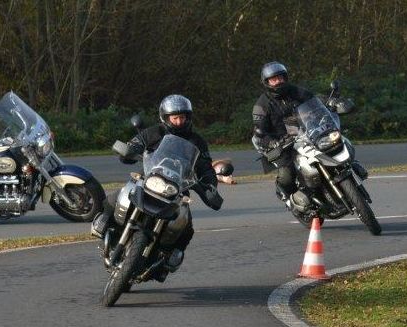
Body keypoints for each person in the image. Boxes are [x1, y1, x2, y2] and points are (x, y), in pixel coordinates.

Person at [91, 94, 223, 275]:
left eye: (182, 117)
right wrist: (129, 151)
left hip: (177, 190)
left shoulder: (196, 141)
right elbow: (135, 144)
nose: (178, 121)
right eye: (174, 118)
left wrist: (210, 187)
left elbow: (206, 168)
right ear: (165, 117)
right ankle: (103, 221)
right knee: (119, 195)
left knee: (186, 225)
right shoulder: (154, 132)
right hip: (149, 181)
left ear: (188, 117)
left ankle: (170, 255)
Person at [251, 61, 316, 212]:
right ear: (266, 82)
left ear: (285, 78)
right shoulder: (262, 105)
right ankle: (287, 194)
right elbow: (259, 132)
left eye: (280, 77)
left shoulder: (295, 91)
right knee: (287, 173)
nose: (278, 81)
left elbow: (314, 100)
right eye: (274, 79)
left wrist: (330, 102)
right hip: (283, 143)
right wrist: (273, 142)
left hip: (306, 135)